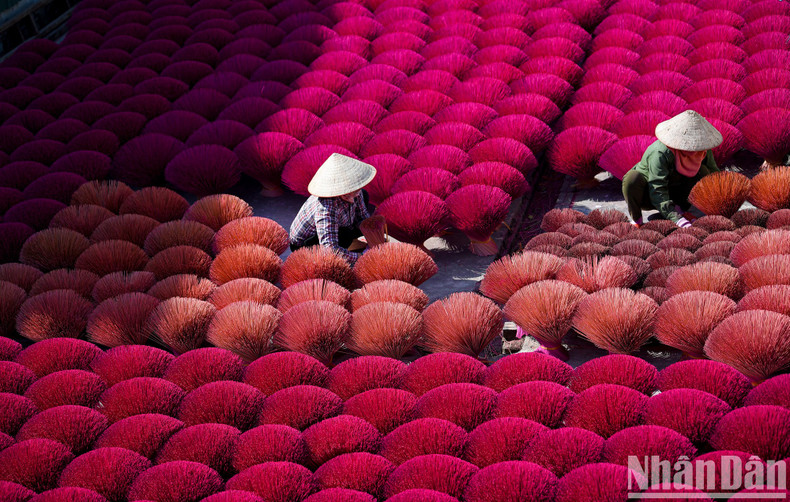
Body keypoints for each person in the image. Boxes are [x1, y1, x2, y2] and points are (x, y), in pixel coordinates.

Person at [622, 110, 723, 228]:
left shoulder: (703, 149)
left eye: (697, 142)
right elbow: (657, 188)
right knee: (632, 179)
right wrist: (676, 219)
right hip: (649, 195)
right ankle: (637, 220)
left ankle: (682, 209)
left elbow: (715, 174)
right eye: (689, 143)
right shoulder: (660, 152)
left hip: (678, 193)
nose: (694, 147)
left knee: (704, 171)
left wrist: (723, 201)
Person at [289, 153, 377, 264]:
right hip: (307, 244)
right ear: (341, 191)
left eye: (356, 188)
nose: (357, 193)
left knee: (364, 195)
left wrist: (373, 234)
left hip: (340, 226)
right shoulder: (326, 208)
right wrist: (361, 257)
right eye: (351, 191)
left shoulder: (356, 190)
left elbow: (363, 218)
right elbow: (330, 250)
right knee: (345, 235)